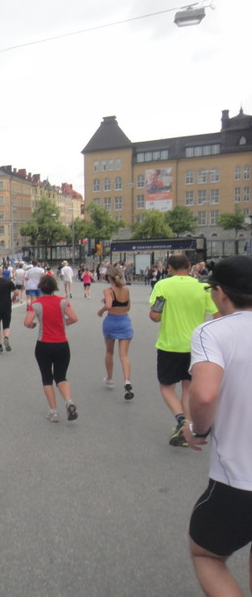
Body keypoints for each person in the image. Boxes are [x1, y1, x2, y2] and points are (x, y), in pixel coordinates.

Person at [184, 256, 252, 595]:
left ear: (221, 294)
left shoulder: (213, 331)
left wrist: (198, 429)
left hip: (239, 481)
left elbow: (206, 395)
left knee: (206, 554)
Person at [149, 254, 218, 447]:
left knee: (166, 387)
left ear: (169, 268)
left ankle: (182, 421)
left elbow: (155, 316)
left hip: (169, 345)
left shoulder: (162, 286)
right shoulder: (202, 287)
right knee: (188, 387)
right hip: (196, 346)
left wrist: (160, 309)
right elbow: (218, 315)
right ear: (189, 266)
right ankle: (188, 430)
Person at [24, 274, 79, 423]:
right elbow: (74, 318)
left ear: (41, 288)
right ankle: (68, 400)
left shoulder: (36, 304)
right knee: (61, 376)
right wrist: (64, 322)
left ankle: (54, 412)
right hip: (62, 344)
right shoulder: (63, 301)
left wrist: (33, 325)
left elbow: (27, 322)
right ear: (55, 287)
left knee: (47, 377)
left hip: (44, 345)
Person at [97, 266, 134, 399]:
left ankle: (110, 378)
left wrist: (101, 311)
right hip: (124, 321)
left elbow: (108, 305)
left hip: (112, 321)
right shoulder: (126, 290)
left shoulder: (108, 290)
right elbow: (128, 307)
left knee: (109, 351)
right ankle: (127, 380)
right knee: (124, 354)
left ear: (109, 278)